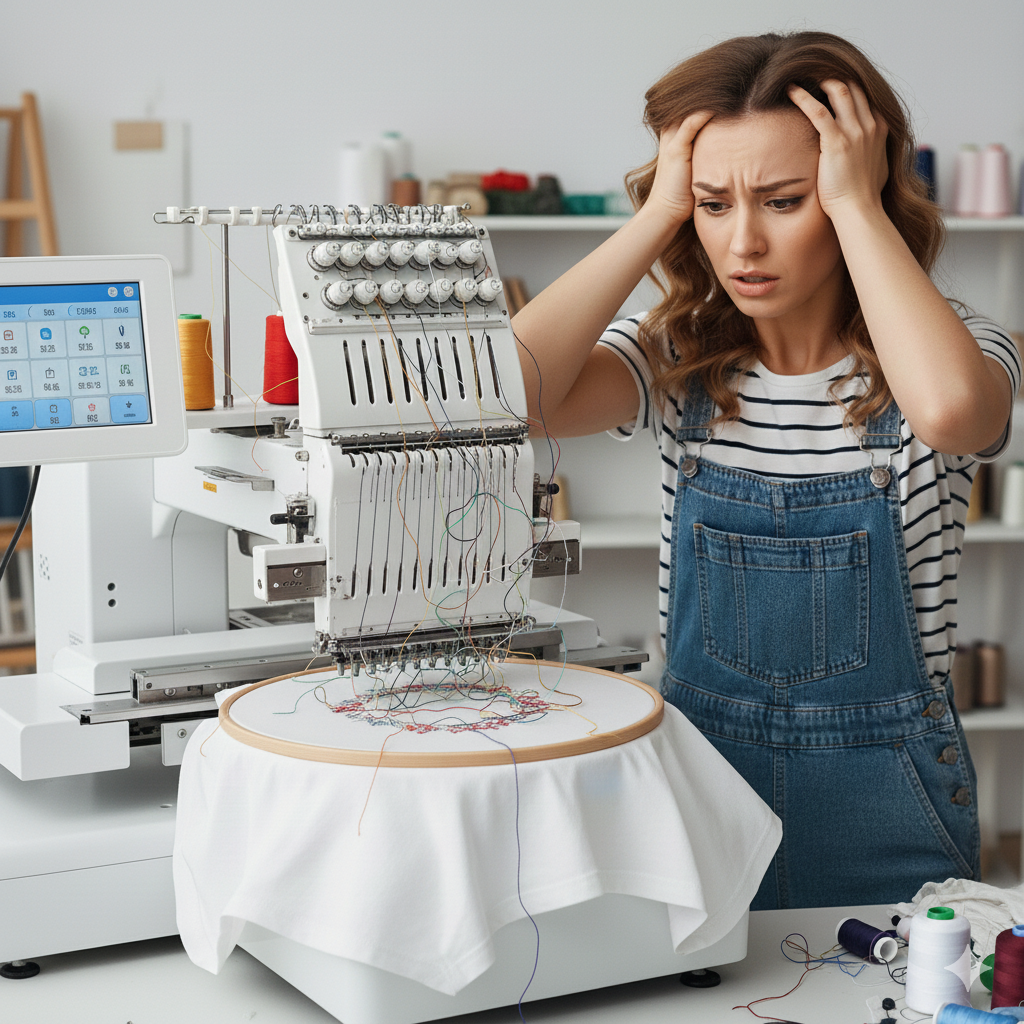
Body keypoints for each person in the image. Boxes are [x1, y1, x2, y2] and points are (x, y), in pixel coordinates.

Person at [512, 30, 1021, 910]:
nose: (743, 241)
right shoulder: (678, 355)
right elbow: (511, 399)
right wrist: (655, 213)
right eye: (713, 204)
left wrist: (858, 207)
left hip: (887, 801)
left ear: (852, 188)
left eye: (786, 201)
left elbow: (950, 415)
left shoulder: (957, 347)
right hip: (697, 788)